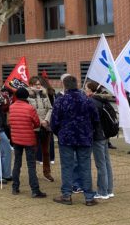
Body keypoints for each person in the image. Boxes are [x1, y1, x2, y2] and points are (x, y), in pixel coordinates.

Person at [51, 75, 100, 206]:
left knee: (67, 167)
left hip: (66, 138)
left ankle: (66, 195)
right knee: (85, 167)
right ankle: (89, 197)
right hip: (84, 138)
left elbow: (54, 122)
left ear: (64, 85)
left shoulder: (61, 101)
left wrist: (60, 133)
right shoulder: (87, 100)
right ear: (77, 84)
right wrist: (89, 131)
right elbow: (95, 119)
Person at [8, 87, 47, 198]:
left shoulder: (11, 107)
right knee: (31, 165)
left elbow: (10, 122)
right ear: (27, 96)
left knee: (17, 163)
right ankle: (35, 190)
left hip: (16, 139)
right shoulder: (30, 108)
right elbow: (36, 123)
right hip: (29, 139)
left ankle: (15, 187)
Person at [85, 81, 114, 200]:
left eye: (86, 88)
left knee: (100, 164)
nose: (85, 90)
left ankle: (102, 191)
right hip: (105, 135)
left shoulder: (92, 102)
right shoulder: (103, 100)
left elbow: (92, 121)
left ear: (91, 91)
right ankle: (109, 189)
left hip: (97, 136)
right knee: (106, 163)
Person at [27, 76, 54, 182]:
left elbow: (50, 108)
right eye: (36, 84)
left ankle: (47, 173)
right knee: (33, 151)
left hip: (45, 127)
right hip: (34, 128)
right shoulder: (28, 96)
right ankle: (33, 174)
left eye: (39, 84)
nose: (38, 86)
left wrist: (46, 120)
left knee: (46, 151)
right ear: (31, 85)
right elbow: (30, 111)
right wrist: (39, 121)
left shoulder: (44, 94)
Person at [37, 75, 56, 165]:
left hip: (42, 117)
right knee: (49, 138)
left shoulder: (41, 93)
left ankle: (40, 158)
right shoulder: (52, 91)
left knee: (40, 139)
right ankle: (51, 158)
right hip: (50, 117)